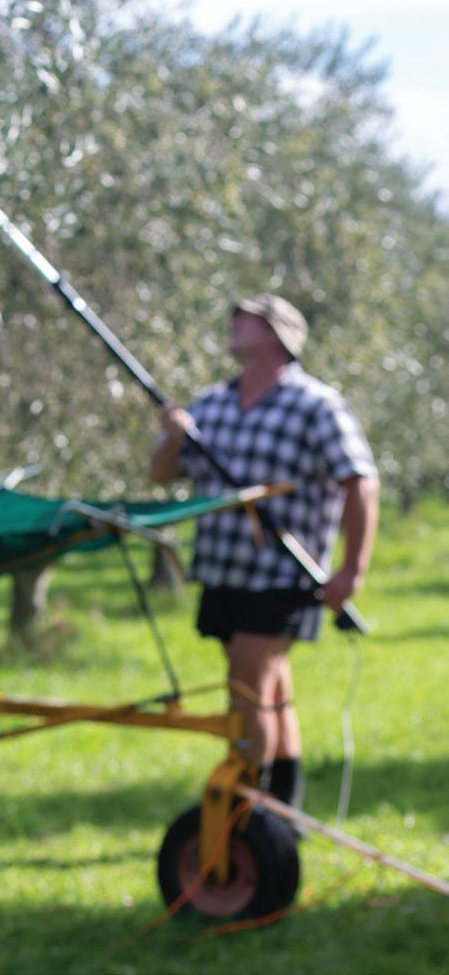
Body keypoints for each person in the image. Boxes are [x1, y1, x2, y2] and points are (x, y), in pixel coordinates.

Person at [149, 294, 379, 810]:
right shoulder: (211, 403)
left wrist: (352, 571)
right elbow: (162, 475)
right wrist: (172, 437)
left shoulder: (316, 405)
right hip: (223, 572)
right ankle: (281, 812)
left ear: (276, 334)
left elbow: (361, 482)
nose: (233, 322)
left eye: (247, 318)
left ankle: (246, 810)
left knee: (247, 687)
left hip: (284, 576)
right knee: (269, 691)